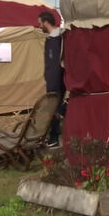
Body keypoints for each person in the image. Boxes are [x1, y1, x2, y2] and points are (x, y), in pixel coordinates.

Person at [38, 11, 65, 147]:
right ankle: (54, 136)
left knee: (54, 108)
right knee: (56, 108)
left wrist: (52, 83)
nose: (39, 26)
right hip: (54, 79)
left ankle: (54, 138)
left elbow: (55, 63)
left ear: (46, 22)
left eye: (40, 23)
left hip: (55, 80)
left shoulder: (56, 39)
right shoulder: (54, 38)